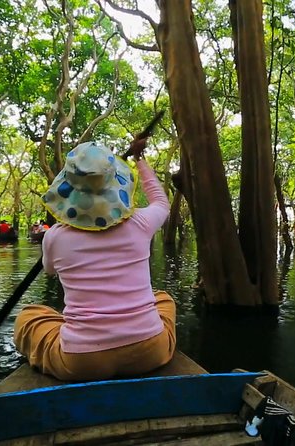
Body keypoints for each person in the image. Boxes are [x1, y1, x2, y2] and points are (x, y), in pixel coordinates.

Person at [13, 139, 175, 381]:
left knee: (29, 316)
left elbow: (49, 271)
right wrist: (140, 160)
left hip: (83, 362)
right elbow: (161, 203)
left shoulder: (54, 238)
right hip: (149, 352)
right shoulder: (141, 223)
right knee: (164, 299)